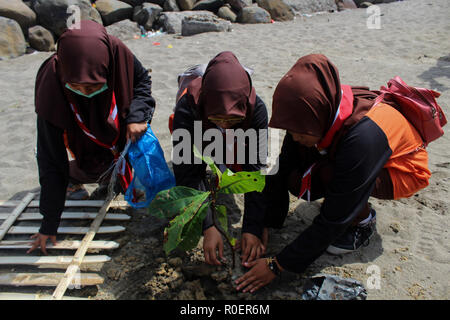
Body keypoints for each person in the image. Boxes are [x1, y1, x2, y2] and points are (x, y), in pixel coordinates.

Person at [235, 54, 431, 293]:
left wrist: (277, 266)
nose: (294, 136)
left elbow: (332, 221)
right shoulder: (309, 117)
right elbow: (281, 168)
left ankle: (363, 221)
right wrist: (261, 224)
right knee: (297, 175)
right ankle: (344, 196)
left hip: (402, 168)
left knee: (336, 183)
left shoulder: (362, 138)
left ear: (319, 113)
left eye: (299, 132)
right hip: (353, 153)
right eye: (291, 130)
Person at [29, 20, 155, 254]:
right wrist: (49, 224)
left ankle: (112, 173)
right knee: (75, 169)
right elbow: (50, 160)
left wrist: (137, 116)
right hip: (77, 129)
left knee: (124, 159)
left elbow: (141, 82)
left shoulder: (116, 53)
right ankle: (80, 174)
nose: (86, 93)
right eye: (78, 86)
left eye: (93, 86)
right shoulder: (51, 87)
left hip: (117, 123)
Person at [171, 51, 268, 266]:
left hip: (230, 134)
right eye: (218, 118)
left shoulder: (256, 110)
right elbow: (188, 171)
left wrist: (252, 228)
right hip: (198, 127)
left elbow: (255, 171)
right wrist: (207, 225)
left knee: (234, 158)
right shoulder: (188, 107)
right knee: (195, 164)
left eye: (232, 119)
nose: (224, 124)